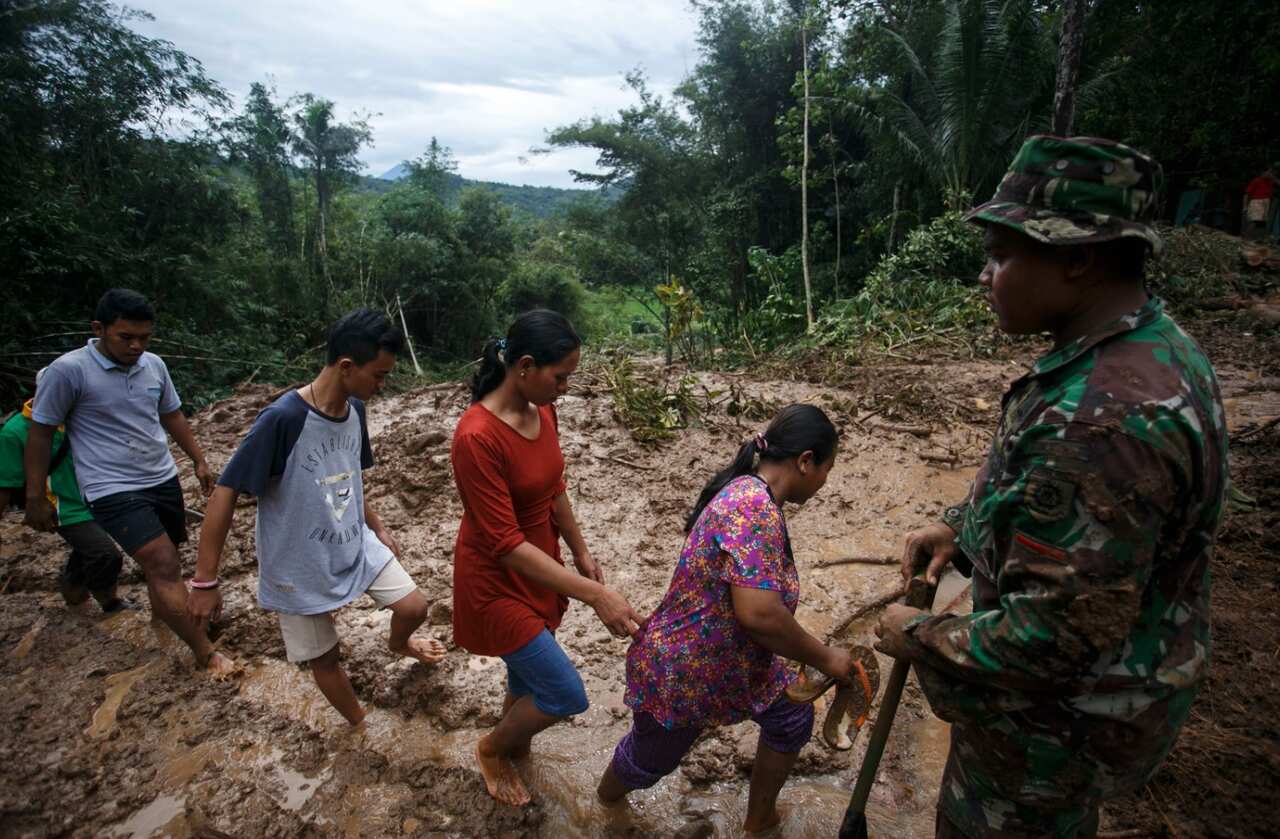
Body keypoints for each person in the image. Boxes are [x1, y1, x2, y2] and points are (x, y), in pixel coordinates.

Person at [875, 135, 1229, 838]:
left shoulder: (1101, 422)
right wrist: (964, 528)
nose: (985, 276)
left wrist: (917, 634)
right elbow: (1055, 510)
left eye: (1002, 255)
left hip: (1046, 735)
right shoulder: (1150, 350)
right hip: (1079, 718)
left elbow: (1051, 640)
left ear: (1076, 257)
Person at [597, 404, 857, 835]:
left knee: (790, 717)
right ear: (806, 461)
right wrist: (828, 658)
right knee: (651, 759)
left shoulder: (750, 494)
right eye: (827, 469)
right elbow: (758, 614)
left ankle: (758, 822)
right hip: (686, 670)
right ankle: (603, 804)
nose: (825, 482)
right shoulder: (753, 507)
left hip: (726, 659)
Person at [187, 309, 445, 725]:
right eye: (378, 376)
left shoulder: (355, 411)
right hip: (297, 561)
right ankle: (360, 725)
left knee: (414, 606)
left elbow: (346, 477)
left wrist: (376, 526)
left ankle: (400, 644)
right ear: (346, 366)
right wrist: (204, 581)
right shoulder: (282, 419)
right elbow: (225, 492)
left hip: (352, 539)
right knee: (326, 658)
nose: (382, 386)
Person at [451, 309, 642, 807]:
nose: (565, 388)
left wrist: (580, 553)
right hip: (498, 578)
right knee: (563, 694)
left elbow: (554, 488)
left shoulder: (544, 411)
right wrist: (595, 594)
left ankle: (515, 739)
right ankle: (492, 749)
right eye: (561, 377)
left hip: (544, 564)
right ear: (526, 366)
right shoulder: (476, 436)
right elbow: (505, 545)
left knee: (525, 675)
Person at [24, 288, 231, 675]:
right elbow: (40, 431)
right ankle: (205, 653)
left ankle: (163, 622)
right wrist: (34, 495)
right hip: (109, 486)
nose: (136, 346)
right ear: (99, 329)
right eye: (126, 337)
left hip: (161, 477)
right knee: (164, 562)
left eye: (144, 338)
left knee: (166, 561)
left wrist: (199, 460)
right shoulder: (68, 371)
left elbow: (171, 415)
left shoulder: (154, 365)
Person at [0, 375, 130, 613]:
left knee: (89, 548)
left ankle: (73, 590)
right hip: (61, 505)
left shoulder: (78, 418)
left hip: (95, 495)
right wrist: (34, 503)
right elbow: (5, 483)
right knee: (105, 554)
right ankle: (107, 599)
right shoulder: (15, 432)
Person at [1242, 164, 1278, 240]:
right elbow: (1247, 193)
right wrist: (1245, 206)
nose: (1270, 174)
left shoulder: (1270, 181)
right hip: (1257, 202)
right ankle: (1246, 238)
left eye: (1271, 172)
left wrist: (1274, 178)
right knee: (1255, 220)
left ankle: (1258, 239)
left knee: (1262, 223)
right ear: (1263, 172)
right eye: (1269, 172)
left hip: (1266, 203)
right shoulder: (1257, 181)